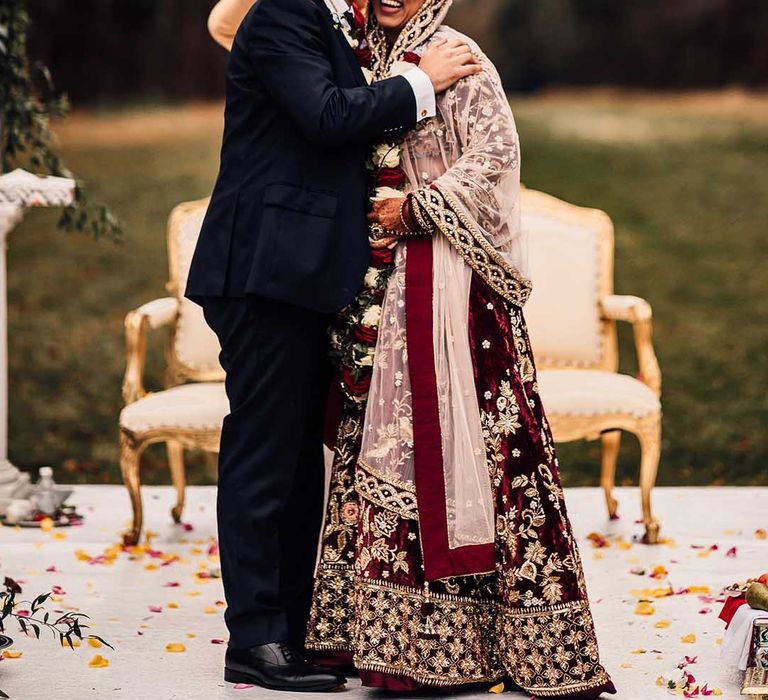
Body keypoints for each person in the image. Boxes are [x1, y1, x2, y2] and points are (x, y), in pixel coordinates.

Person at [305, 1, 618, 698]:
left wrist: (413, 208)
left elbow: (497, 161)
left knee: (487, 453)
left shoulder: (460, 57)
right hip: (376, 295)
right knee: (380, 447)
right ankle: (388, 643)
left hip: (459, 296)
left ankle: (501, 639)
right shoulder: (358, 62)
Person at [185, 0, 481, 693]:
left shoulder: (339, 29)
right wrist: (420, 80)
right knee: (264, 454)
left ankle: (289, 630)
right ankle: (254, 639)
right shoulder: (281, 15)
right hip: (263, 271)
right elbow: (323, 115)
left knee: (294, 458)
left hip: (305, 274)